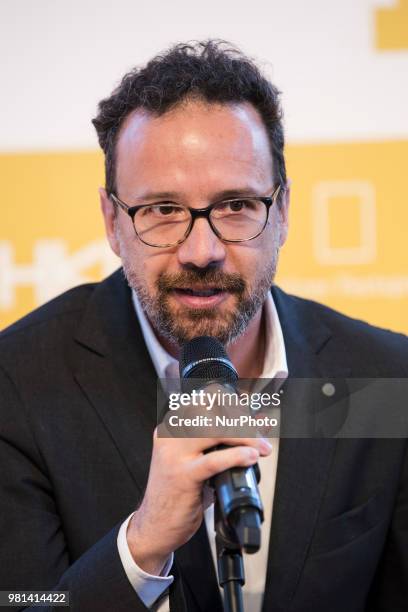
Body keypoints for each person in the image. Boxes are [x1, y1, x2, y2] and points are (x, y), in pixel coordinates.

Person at [0, 40, 407, 612]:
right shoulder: (15, 383)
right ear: (112, 222)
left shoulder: (387, 377)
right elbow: (19, 601)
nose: (202, 249)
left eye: (236, 204)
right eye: (163, 210)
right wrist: (140, 546)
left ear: (284, 211)